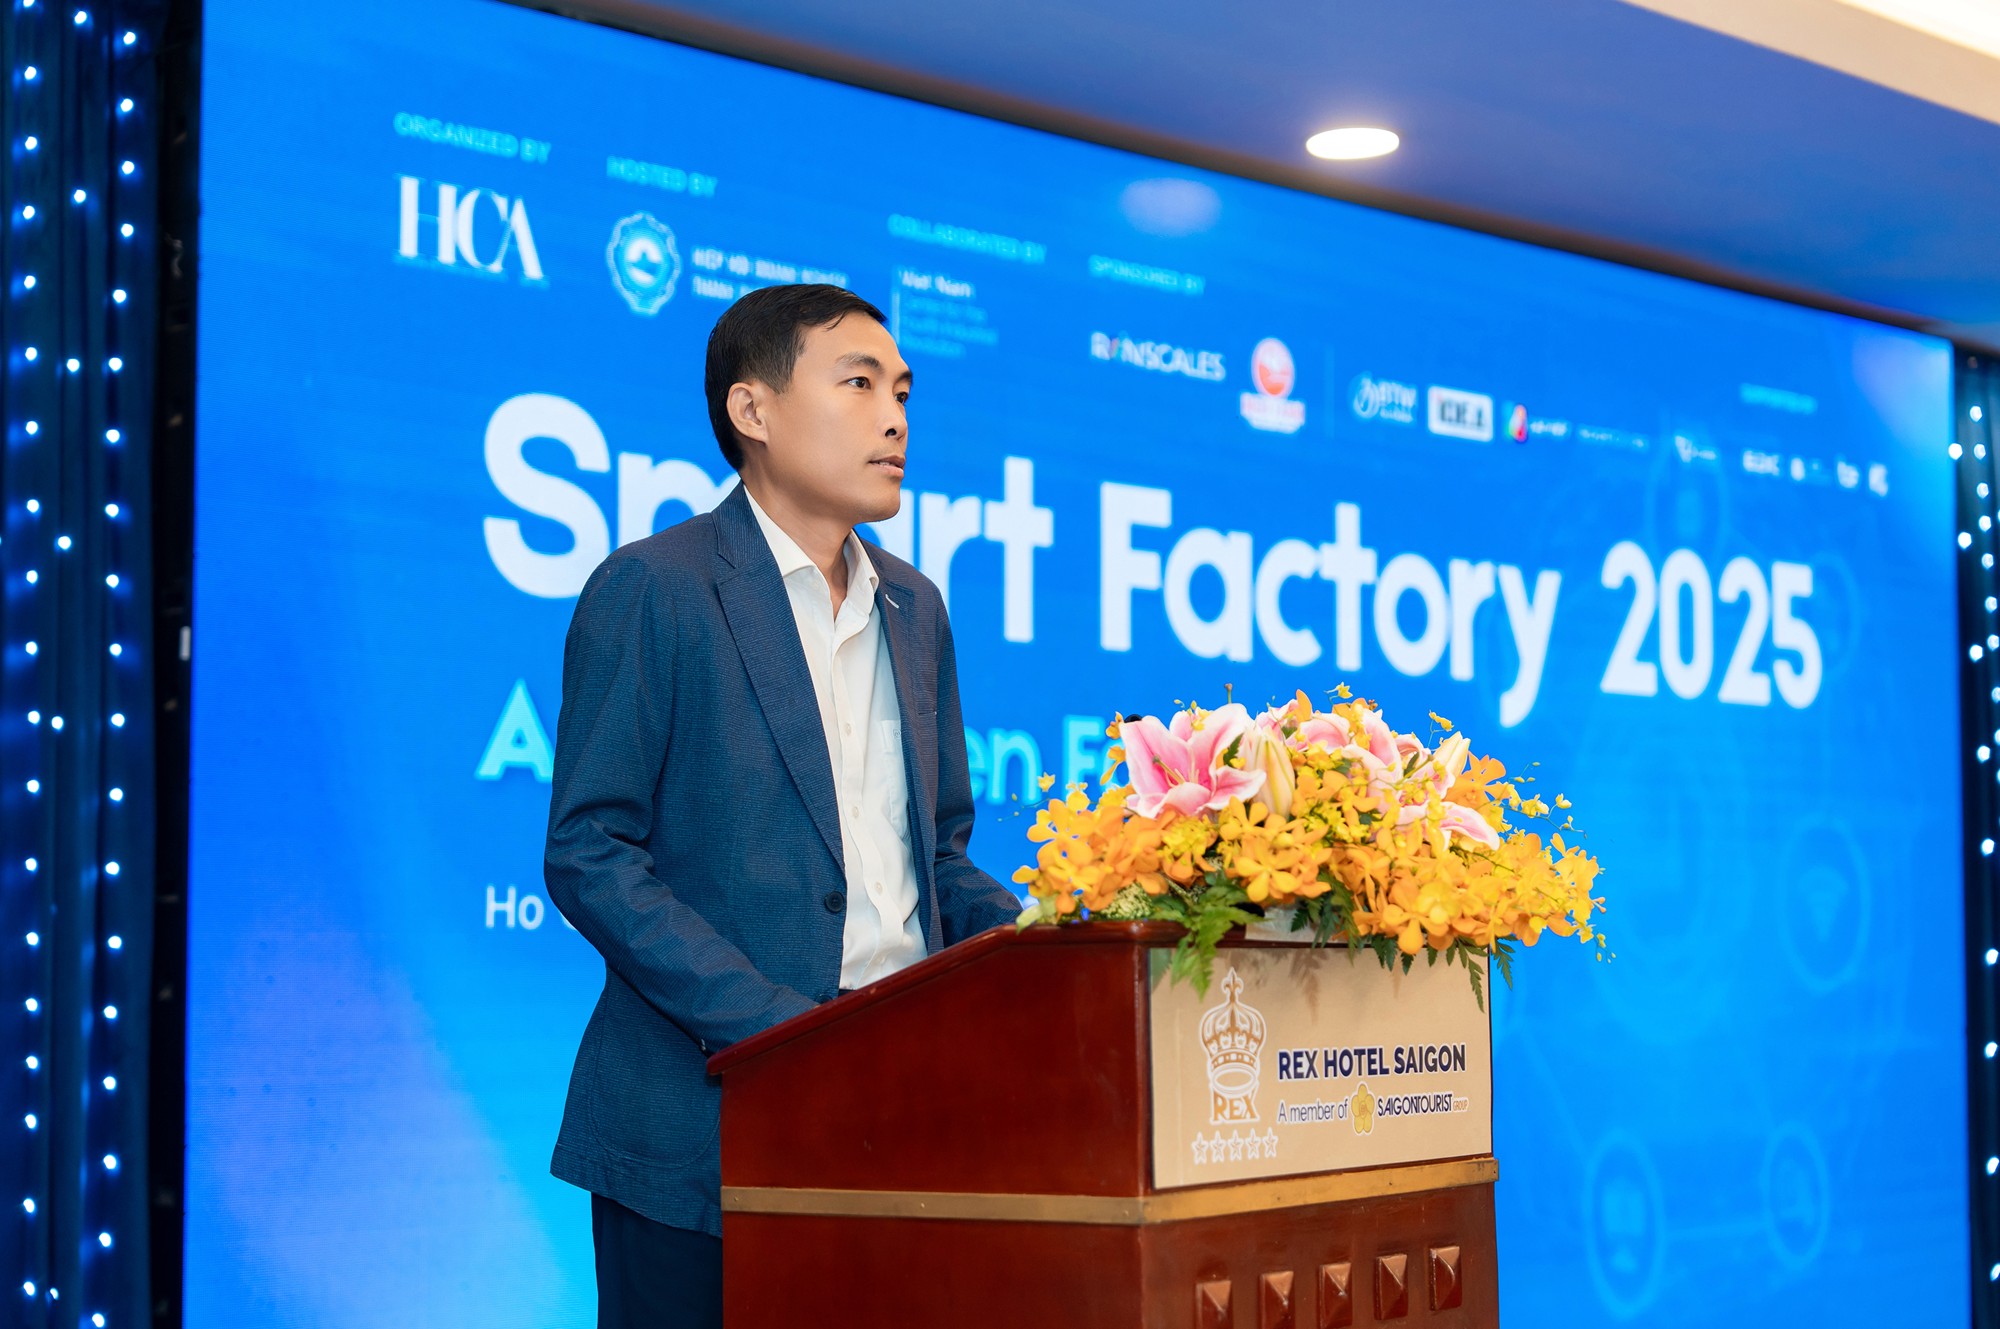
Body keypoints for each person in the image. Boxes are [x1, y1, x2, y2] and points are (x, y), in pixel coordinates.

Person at [543, 283, 1023, 1328]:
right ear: (751, 409)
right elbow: (591, 851)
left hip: (901, 1111)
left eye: (902, 392)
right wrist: (779, 1031)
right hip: (700, 1123)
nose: (894, 418)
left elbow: (936, 855)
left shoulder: (916, 607)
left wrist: (1048, 943)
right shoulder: (657, 587)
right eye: (859, 384)